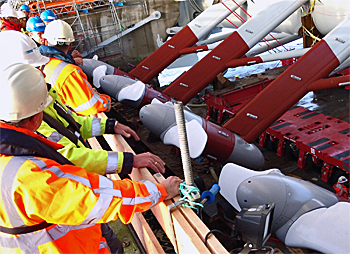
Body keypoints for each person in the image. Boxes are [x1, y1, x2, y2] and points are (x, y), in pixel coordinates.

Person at [0, 31, 168, 253]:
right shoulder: (26, 174)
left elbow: (70, 127)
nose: (43, 72)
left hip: (71, 231)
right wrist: (157, 190)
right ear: (34, 116)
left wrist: (110, 126)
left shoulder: (16, 133)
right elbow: (94, 197)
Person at [40, 19, 110, 115]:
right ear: (70, 45)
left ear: (45, 41)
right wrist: (106, 101)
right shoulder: (69, 72)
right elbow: (92, 107)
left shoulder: (39, 63)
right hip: (70, 120)